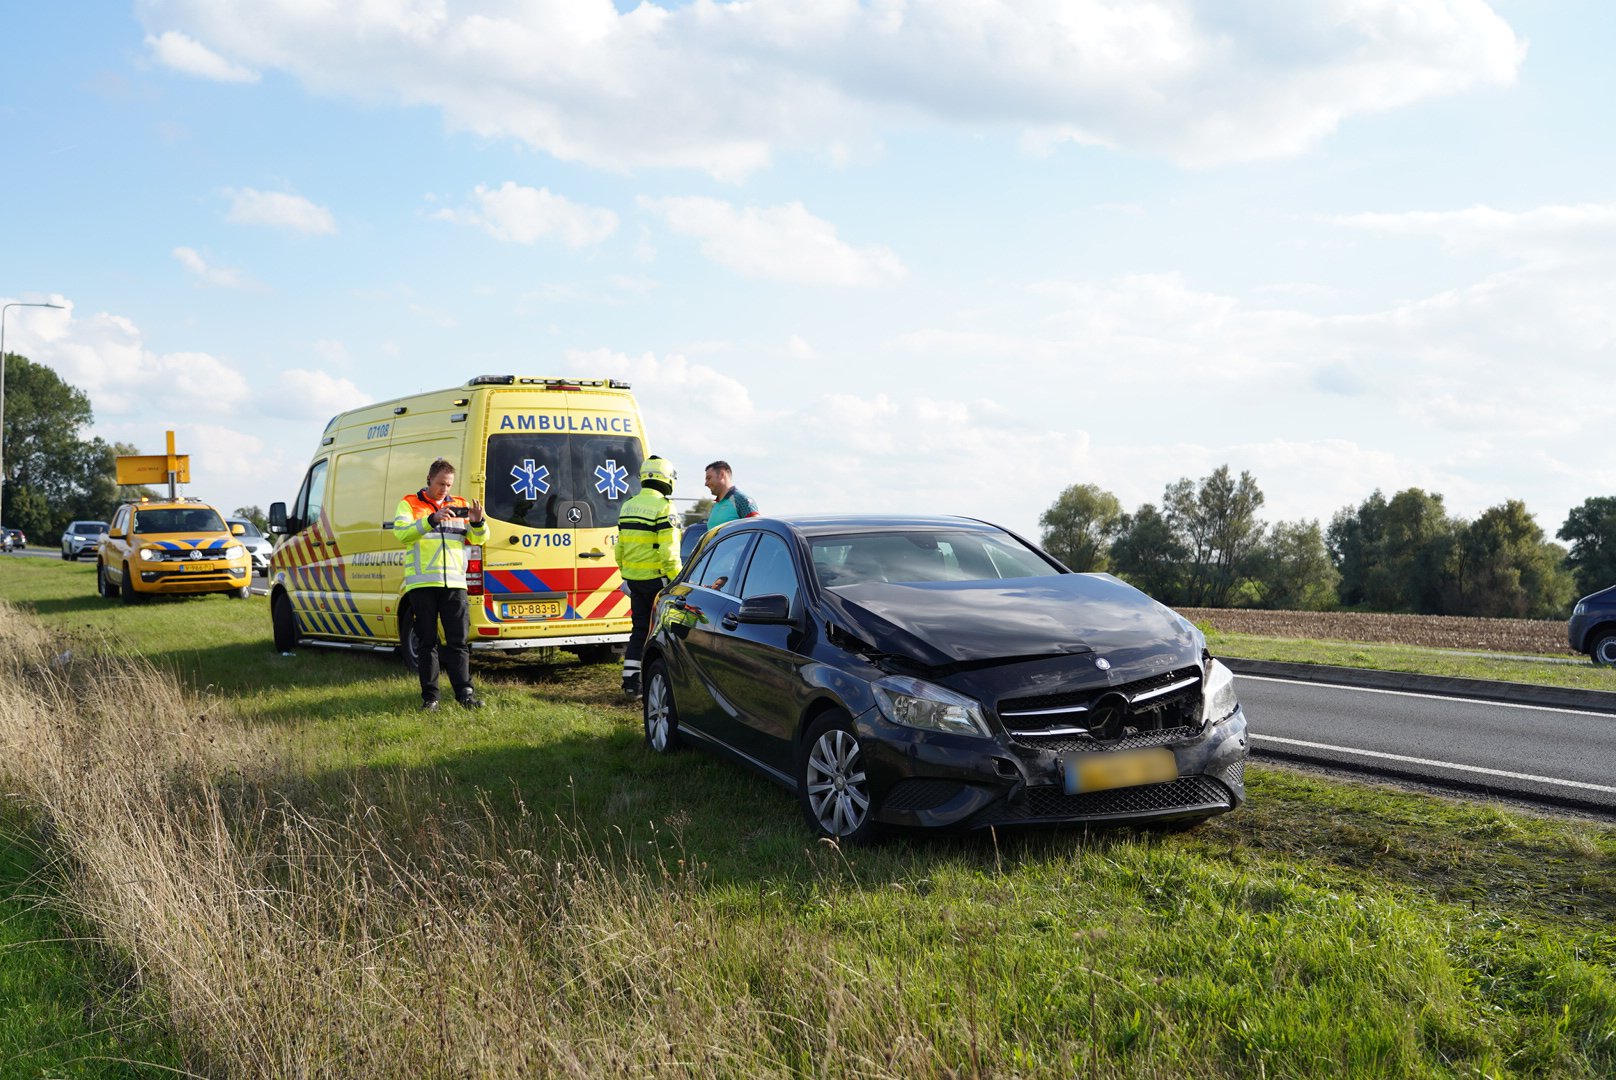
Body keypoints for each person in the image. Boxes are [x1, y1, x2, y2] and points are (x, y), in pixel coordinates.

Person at [395, 457, 489, 710]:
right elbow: (402, 533)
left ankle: (465, 695)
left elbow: (478, 539)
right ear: (429, 479)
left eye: (448, 485)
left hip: (455, 584)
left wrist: (478, 521)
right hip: (423, 584)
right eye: (440, 484)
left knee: (458, 642)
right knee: (427, 643)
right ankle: (431, 698)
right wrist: (432, 519)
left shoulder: (460, 504)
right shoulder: (410, 503)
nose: (445, 489)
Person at [617, 455, 681, 697]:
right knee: (662, 635)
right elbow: (669, 552)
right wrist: (678, 582)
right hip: (659, 582)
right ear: (666, 479)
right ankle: (661, 683)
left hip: (634, 581)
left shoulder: (628, 505)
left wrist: (628, 574)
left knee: (639, 630)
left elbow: (620, 548)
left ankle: (631, 683)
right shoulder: (665, 508)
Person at [703, 460, 760, 528]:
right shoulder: (715, 505)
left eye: (709, 478)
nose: (706, 484)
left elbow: (757, 529)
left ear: (722, 474)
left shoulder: (741, 500)